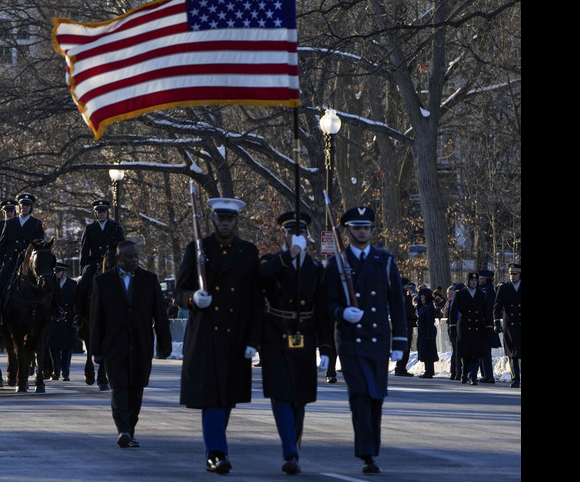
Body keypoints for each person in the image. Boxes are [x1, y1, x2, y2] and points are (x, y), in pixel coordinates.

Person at [174, 197, 263, 474]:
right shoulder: (198, 249)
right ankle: (216, 452)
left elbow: (255, 301)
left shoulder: (248, 252)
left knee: (226, 399)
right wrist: (192, 298)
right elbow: (179, 292)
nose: (225, 224)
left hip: (235, 335)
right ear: (213, 221)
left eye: (230, 219)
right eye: (221, 219)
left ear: (236, 222)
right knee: (211, 397)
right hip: (206, 335)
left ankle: (215, 447)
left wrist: (253, 340)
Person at [325, 205, 407, 474]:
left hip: (378, 338)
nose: (362, 231)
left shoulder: (384, 261)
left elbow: (397, 304)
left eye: (367, 227)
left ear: (371, 230)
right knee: (359, 394)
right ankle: (367, 453)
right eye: (357, 227)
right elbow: (327, 302)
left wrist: (399, 342)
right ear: (347, 231)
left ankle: (372, 447)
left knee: (376, 397)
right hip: (349, 340)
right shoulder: (337, 262)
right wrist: (341, 312)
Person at [258, 211, 333, 475]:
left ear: (307, 237)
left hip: (304, 336)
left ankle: (293, 449)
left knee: (299, 399)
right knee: (281, 395)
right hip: (275, 335)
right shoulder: (272, 261)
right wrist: (288, 256)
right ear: (283, 235)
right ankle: (290, 451)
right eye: (290, 233)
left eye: (299, 233)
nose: (294, 237)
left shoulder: (314, 268)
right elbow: (262, 275)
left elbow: (323, 311)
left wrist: (325, 348)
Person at [90, 240, 173, 449]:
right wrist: (96, 350)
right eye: (129, 257)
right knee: (119, 389)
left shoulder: (149, 280)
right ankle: (123, 430)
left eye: (136, 256)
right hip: (114, 345)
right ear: (118, 258)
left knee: (136, 390)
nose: (134, 260)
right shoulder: (103, 282)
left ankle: (131, 430)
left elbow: (160, 315)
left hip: (141, 344)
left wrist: (165, 343)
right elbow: (96, 319)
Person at [0, 193, 45, 297]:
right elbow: (2, 244)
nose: (24, 208)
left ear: (31, 208)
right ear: (19, 207)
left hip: (29, 260)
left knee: (46, 285)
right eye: (22, 205)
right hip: (11, 259)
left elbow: (39, 245)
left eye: (27, 206)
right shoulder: (10, 222)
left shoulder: (36, 223)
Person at [448, 272, 493, 386]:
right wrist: (452, 326)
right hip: (464, 326)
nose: (474, 282)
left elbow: (487, 311)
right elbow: (453, 311)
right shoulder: (460, 294)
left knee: (476, 352)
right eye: (471, 280)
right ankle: (464, 372)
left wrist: (489, 325)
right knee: (465, 352)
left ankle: (473, 376)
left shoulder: (482, 294)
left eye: (475, 280)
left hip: (478, 327)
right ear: (467, 282)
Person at [48, 262, 79, 381]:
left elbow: (76, 302)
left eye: (58, 271)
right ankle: (56, 371)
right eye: (55, 271)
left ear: (64, 272)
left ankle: (66, 372)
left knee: (67, 346)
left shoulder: (73, 284)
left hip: (68, 317)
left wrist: (76, 316)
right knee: (54, 346)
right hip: (55, 317)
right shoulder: (51, 284)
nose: (56, 274)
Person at [493, 263, 521, 388]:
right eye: (510, 274)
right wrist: (496, 323)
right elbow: (497, 308)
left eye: (515, 274)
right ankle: (515, 378)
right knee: (512, 353)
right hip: (510, 324)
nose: (512, 276)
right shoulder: (503, 288)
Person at [79, 199, 125, 270]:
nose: (102, 214)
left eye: (104, 211)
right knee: (84, 280)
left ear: (107, 212)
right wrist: (82, 268)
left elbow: (122, 245)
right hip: (94, 262)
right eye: (99, 212)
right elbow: (84, 250)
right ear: (96, 213)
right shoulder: (89, 228)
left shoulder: (115, 227)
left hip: (112, 261)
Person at [477, 270, 500, 383]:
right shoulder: (482, 290)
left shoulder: (489, 292)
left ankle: (489, 375)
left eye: (481, 278)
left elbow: (490, 310)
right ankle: (485, 374)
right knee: (482, 351)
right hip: (481, 326)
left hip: (486, 326)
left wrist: (489, 325)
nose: (479, 280)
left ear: (487, 279)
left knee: (486, 352)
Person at [394, 281, 418, 377]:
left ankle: (401, 367)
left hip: (405, 324)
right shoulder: (402, 296)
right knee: (405, 347)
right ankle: (400, 368)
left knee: (405, 347)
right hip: (406, 324)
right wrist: (414, 316)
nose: (408, 287)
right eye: (407, 285)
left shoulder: (403, 296)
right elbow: (405, 311)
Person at [415, 288, 439, 378]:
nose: (421, 299)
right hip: (423, 332)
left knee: (428, 353)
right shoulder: (424, 307)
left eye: (422, 297)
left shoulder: (429, 307)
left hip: (427, 332)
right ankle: (427, 370)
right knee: (425, 352)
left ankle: (429, 371)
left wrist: (429, 334)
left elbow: (429, 321)